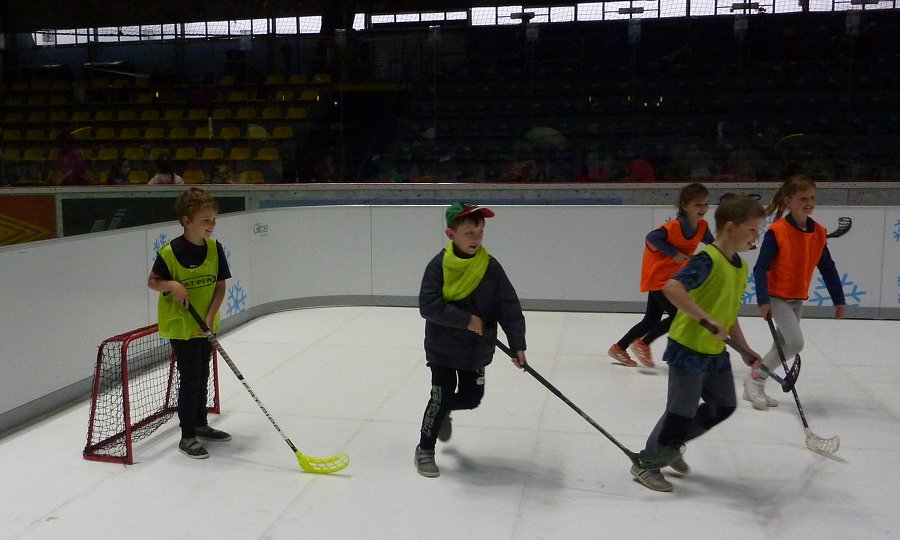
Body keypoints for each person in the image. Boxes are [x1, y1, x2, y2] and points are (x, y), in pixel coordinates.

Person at [631, 194, 765, 492]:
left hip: (714, 352)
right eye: (753, 230)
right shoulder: (708, 260)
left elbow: (729, 314)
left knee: (723, 405)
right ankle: (647, 462)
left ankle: (671, 446)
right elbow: (672, 287)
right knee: (681, 411)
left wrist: (745, 349)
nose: (757, 236)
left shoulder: (740, 268)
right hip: (688, 347)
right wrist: (705, 319)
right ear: (730, 227)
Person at [415, 201, 527, 478]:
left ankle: (442, 413)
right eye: (469, 233)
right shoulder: (438, 266)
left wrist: (518, 344)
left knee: (471, 398)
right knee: (440, 396)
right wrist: (466, 319)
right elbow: (428, 306)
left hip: (476, 349)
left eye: (480, 232)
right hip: (442, 347)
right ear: (451, 234)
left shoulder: (490, 267)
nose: (476, 239)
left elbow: (508, 306)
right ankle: (424, 449)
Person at [745, 176, 846, 410]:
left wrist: (838, 299)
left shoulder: (818, 232)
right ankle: (755, 379)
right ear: (788, 201)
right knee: (796, 344)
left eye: (812, 197)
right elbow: (760, 267)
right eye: (803, 198)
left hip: (797, 298)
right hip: (776, 296)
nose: (809, 202)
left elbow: (827, 267)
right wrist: (762, 299)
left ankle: (753, 386)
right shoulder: (777, 231)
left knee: (779, 347)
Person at [147, 187, 232, 459]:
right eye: (206, 220)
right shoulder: (170, 252)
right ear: (187, 220)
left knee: (203, 375)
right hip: (180, 327)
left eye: (213, 220)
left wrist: (208, 318)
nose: (212, 225)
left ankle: (200, 423)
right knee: (191, 377)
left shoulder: (214, 249)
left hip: (204, 325)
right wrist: (173, 285)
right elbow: (153, 281)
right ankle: (187, 436)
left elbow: (220, 287)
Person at [608, 183, 715, 368]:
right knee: (679, 314)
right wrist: (674, 253)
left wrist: (730, 247)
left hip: (673, 280)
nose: (703, 209)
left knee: (651, 319)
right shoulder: (673, 227)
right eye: (698, 205)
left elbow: (713, 245)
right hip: (659, 277)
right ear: (684, 205)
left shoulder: (702, 227)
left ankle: (619, 348)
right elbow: (652, 237)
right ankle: (643, 343)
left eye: (705, 204)